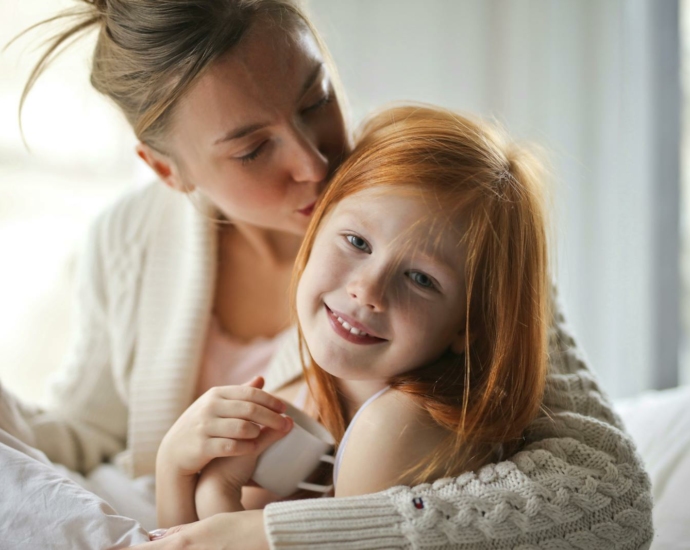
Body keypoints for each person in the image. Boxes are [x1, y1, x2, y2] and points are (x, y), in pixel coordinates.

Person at [5, 0, 652, 548]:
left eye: (316, 100)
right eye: (254, 149)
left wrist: (274, 535)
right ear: (167, 170)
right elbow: (83, 436)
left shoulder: (434, 211)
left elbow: (608, 493)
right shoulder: (128, 237)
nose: (316, 162)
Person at [155, 104, 552, 525]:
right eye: (357, 242)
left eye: (421, 278)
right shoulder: (308, 394)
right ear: (315, 228)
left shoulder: (397, 428)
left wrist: (215, 492)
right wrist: (174, 470)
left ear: (468, 326)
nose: (368, 290)